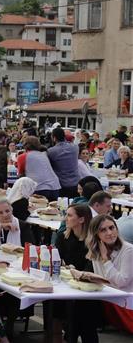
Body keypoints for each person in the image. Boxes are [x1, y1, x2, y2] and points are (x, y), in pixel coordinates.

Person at [54, 204, 98, 343]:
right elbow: (58, 261)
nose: (65, 218)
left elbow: (90, 268)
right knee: (70, 320)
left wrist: (72, 270)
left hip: (86, 287)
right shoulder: (62, 237)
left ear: (81, 220)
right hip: (66, 284)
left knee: (86, 325)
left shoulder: (92, 241)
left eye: (69, 215)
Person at [86, 214, 133, 333]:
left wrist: (106, 260)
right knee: (80, 306)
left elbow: (122, 282)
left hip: (126, 301)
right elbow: (102, 280)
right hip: (110, 299)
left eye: (112, 228)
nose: (109, 233)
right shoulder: (96, 251)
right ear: (96, 235)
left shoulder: (128, 250)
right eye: (103, 230)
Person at [16, 136, 60, 201]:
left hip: (39, 188)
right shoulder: (44, 154)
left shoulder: (22, 157)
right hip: (54, 186)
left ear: (25, 145)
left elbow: (20, 175)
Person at [47, 127, 80, 198]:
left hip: (62, 184)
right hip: (76, 183)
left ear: (54, 138)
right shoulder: (75, 147)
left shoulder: (51, 151)